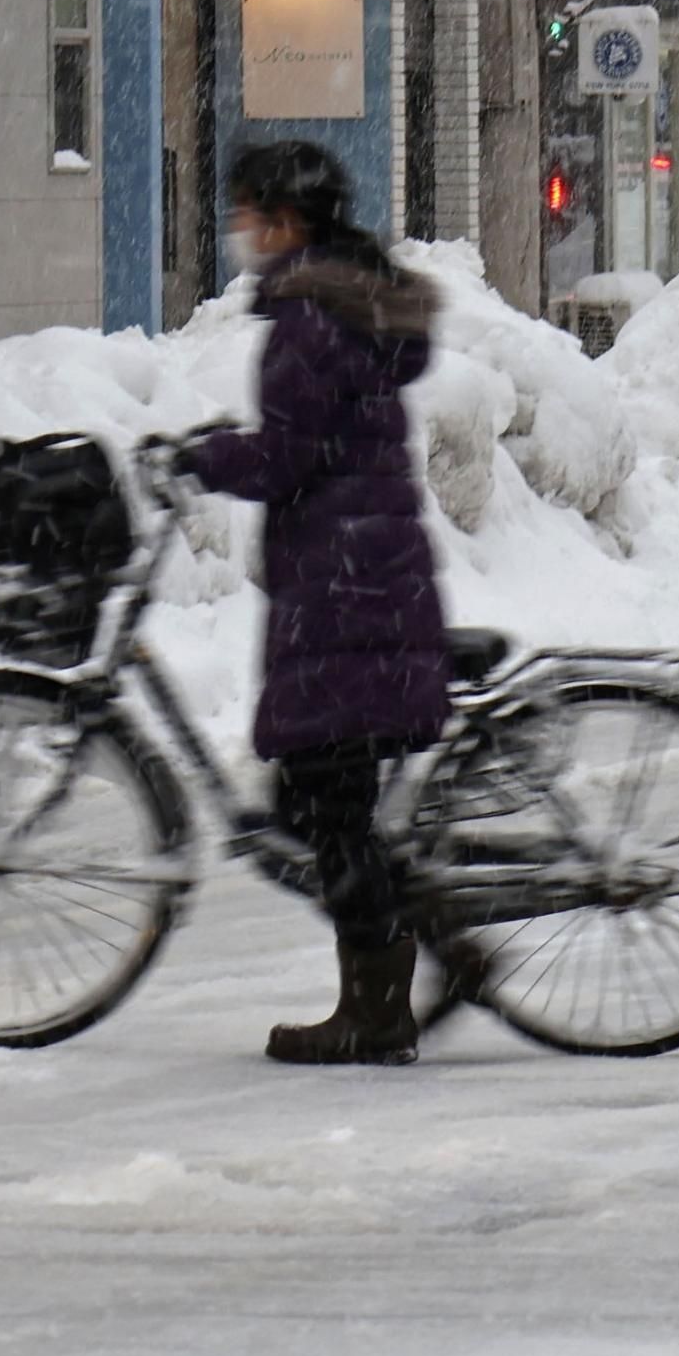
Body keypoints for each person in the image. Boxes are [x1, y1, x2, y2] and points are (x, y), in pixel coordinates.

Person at [173, 140, 452, 1065]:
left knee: (326, 807)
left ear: (287, 222)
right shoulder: (350, 304)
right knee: (320, 804)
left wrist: (202, 456)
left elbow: (287, 458)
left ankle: (377, 1012)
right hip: (366, 578)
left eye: (250, 213)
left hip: (345, 594)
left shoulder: (307, 319)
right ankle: (416, 953)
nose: (242, 231)